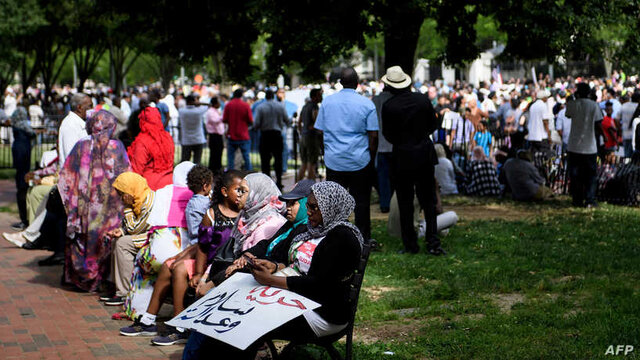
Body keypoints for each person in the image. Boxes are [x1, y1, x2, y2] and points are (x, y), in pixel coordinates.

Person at [182, 181, 363, 359]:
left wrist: (271, 280)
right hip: (298, 298)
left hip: (322, 313)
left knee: (248, 321)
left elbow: (319, 286)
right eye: (308, 206)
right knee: (235, 311)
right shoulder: (310, 230)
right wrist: (273, 266)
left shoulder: (343, 237)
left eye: (315, 208)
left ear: (331, 207)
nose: (309, 212)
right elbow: (285, 257)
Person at [119, 170, 242, 346]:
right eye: (239, 190)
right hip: (207, 260)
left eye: (243, 191)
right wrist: (181, 256)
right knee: (169, 264)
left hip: (220, 266)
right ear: (224, 191)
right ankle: (148, 319)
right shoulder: (213, 213)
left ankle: (180, 324)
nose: (242, 194)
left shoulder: (243, 215)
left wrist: (197, 270)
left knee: (179, 268)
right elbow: (202, 244)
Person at [120, 165, 212, 321]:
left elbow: (151, 224)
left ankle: (138, 312)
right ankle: (172, 316)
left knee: (143, 265)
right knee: (170, 265)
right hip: (189, 248)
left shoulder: (162, 192)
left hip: (164, 248)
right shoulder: (206, 200)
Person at [56, 110, 131, 292]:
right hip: (110, 208)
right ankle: (102, 279)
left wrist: (71, 203)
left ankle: (81, 279)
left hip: (83, 205)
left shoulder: (81, 145)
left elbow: (64, 177)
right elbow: (128, 176)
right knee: (105, 239)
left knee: (82, 240)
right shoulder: (116, 147)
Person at [381, 66, 443, 255]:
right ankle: (433, 242)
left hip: (402, 157)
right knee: (428, 201)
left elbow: (388, 134)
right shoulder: (422, 100)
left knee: (405, 202)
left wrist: (403, 141)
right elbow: (434, 124)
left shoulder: (389, 106)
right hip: (424, 154)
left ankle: (410, 245)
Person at [314, 67, 378, 240]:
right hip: (359, 160)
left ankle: (335, 238)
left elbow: (319, 132)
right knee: (362, 203)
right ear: (358, 83)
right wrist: (370, 157)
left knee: (334, 204)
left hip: (334, 160)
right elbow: (373, 135)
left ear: (340, 83)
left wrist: (325, 151)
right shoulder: (367, 104)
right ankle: (363, 239)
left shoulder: (328, 102)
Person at [565, 83, 603, 207]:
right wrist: (604, 136)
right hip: (589, 146)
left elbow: (568, 114)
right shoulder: (594, 105)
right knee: (590, 175)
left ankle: (577, 199)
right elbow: (598, 123)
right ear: (589, 93)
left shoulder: (572, 104)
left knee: (575, 175)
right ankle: (590, 199)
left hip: (574, 146)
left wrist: (573, 98)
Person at [128, 107, 174, 190]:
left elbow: (136, 171)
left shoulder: (142, 141)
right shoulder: (168, 137)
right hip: (169, 186)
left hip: (150, 190)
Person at [253, 89, 289, 189]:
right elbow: (287, 120)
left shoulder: (261, 107)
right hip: (277, 134)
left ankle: (267, 182)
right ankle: (279, 180)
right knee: (278, 159)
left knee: (265, 160)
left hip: (265, 135)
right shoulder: (280, 106)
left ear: (266, 96)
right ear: (273, 96)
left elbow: (256, 124)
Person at [10, 106, 35, 230]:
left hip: (22, 166)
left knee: (22, 189)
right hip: (23, 165)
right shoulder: (24, 131)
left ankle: (24, 219)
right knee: (22, 189)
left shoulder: (19, 131)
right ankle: (25, 219)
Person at [372, 86, 394, 213]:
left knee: (383, 177)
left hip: (381, 145)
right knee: (394, 176)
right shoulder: (395, 98)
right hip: (393, 145)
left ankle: (385, 203)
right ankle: (393, 202)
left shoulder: (376, 100)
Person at [58, 93, 92, 168]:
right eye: (90, 106)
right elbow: (71, 155)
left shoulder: (78, 123)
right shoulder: (70, 125)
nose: (92, 109)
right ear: (79, 107)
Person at [223, 89, 254, 171]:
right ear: (241, 95)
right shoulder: (245, 105)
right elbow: (250, 120)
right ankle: (249, 174)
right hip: (243, 135)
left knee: (230, 158)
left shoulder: (228, 105)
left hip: (231, 134)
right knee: (246, 157)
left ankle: (230, 175)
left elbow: (224, 119)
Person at [297, 88, 323, 181]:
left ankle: (297, 186)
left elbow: (299, 122)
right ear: (315, 96)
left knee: (304, 163)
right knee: (311, 163)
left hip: (304, 136)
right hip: (312, 137)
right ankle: (310, 187)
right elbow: (317, 122)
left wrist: (302, 132)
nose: (321, 97)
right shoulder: (315, 107)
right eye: (320, 95)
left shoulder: (305, 106)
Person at [178, 95, 208, 164]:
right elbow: (208, 105)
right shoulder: (199, 111)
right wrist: (199, 103)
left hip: (186, 140)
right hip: (198, 139)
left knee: (185, 161)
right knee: (197, 161)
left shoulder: (182, 111)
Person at [617, 91, 639, 157]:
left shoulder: (624, 106)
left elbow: (616, 119)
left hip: (625, 134)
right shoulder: (638, 107)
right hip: (636, 136)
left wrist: (619, 129)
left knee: (626, 155)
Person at [205, 97, 224, 172]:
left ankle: (217, 167)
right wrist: (223, 117)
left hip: (218, 135)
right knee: (215, 152)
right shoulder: (210, 111)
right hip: (214, 135)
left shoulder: (215, 111)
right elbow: (215, 120)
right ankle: (214, 168)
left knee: (219, 151)